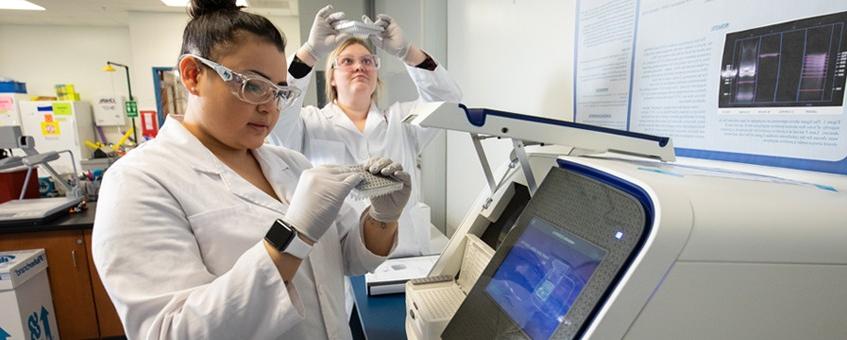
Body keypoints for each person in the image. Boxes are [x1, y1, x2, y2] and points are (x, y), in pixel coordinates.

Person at [91, 1, 410, 339]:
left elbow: (350, 257)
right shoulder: (138, 182)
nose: (269, 108)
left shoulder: (291, 163)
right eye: (253, 85)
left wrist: (382, 218)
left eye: (278, 92)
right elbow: (170, 331)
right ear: (193, 75)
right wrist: (292, 235)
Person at [269, 5, 463, 257]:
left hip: (401, 256)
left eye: (367, 61)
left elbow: (448, 102)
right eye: (347, 61)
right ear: (332, 78)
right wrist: (310, 52)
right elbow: (276, 110)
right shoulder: (307, 123)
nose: (359, 67)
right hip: (336, 258)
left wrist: (407, 52)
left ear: (377, 76)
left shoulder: (401, 120)